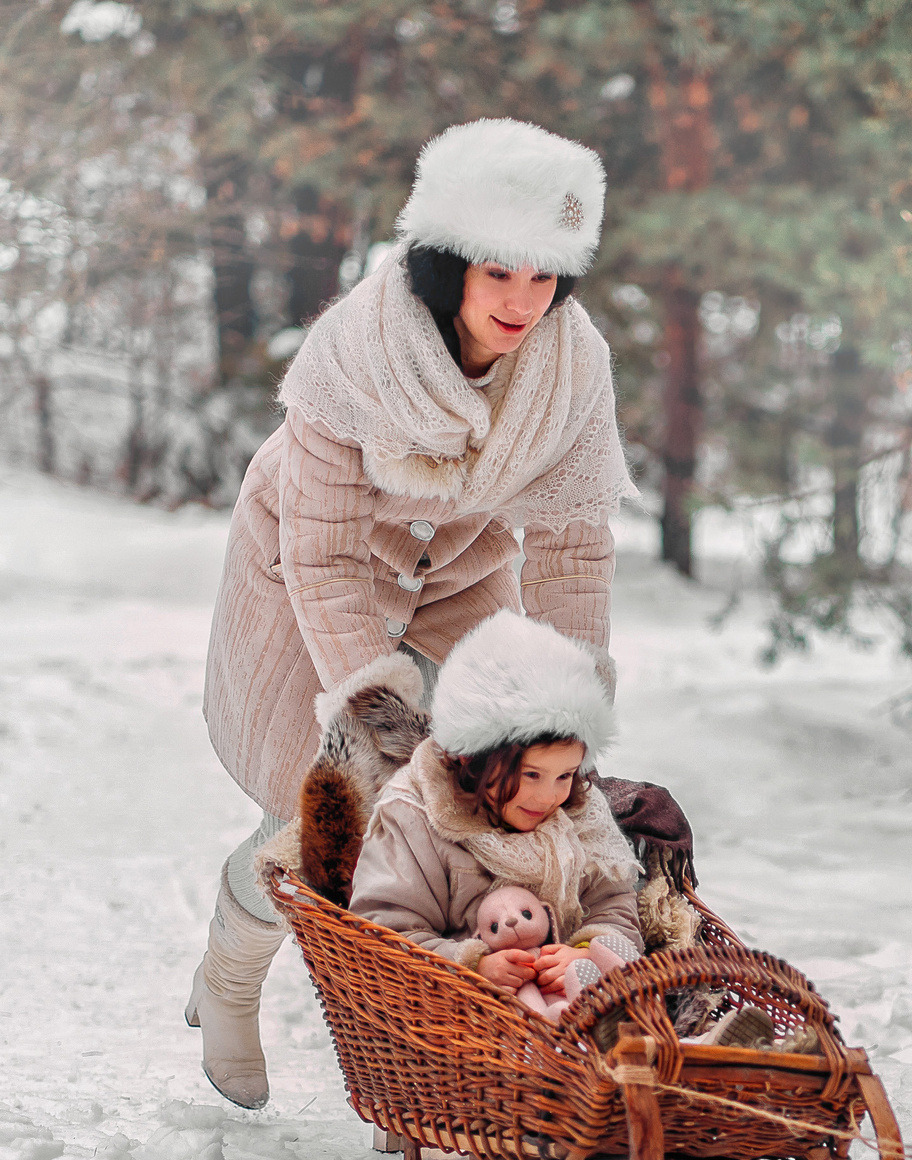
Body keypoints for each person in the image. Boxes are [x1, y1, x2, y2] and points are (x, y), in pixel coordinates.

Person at [189, 117, 632, 1107]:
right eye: (497, 273)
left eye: (545, 276)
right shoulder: (359, 352)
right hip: (302, 562)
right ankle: (229, 966)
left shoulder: (573, 366)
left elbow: (571, 542)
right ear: (447, 266)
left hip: (461, 570)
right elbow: (326, 554)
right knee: (326, 815)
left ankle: (432, 1048)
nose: (523, 301)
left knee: (485, 802)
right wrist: (372, 708)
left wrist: (569, 696)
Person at [346, 610, 644, 1009]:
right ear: (474, 759)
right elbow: (384, 929)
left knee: (639, 1002)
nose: (547, 797)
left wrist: (585, 952)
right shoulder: (416, 820)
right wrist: (473, 965)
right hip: (460, 1017)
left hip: (573, 999)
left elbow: (614, 902)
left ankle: (693, 1048)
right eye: (532, 775)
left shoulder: (579, 814)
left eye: (566, 774)